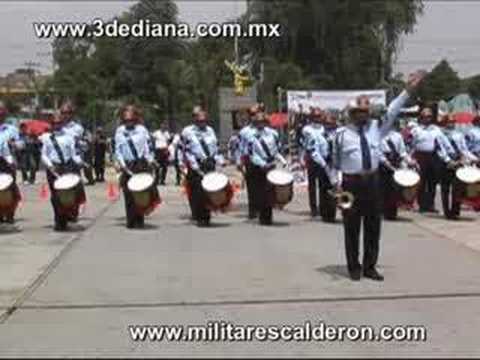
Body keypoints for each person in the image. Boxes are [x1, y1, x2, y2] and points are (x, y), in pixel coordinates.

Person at [332, 71, 424, 281]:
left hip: (372, 182)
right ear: (352, 113)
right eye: (359, 112)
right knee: (352, 227)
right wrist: (336, 187)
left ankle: (370, 266)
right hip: (350, 183)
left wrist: (408, 90)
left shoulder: (376, 128)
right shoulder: (340, 135)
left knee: (374, 225)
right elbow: (334, 164)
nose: (363, 115)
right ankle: (354, 267)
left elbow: (393, 110)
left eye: (366, 111)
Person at [115, 104, 160, 229]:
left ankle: (140, 219)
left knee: (140, 192)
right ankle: (131, 219)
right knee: (128, 194)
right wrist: (122, 165)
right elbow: (118, 150)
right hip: (127, 165)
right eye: (127, 120)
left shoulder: (142, 130)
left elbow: (147, 147)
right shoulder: (120, 131)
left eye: (131, 120)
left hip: (141, 164)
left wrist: (151, 160)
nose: (129, 123)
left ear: (136, 119)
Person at [41, 113, 87, 231]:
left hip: (67, 167)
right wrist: (50, 166)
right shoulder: (46, 138)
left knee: (70, 193)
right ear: (51, 125)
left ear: (62, 124)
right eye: (54, 124)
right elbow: (44, 155)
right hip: (54, 168)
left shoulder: (69, 137)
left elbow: (73, 155)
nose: (57, 126)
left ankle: (69, 215)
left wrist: (81, 162)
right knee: (56, 195)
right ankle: (59, 220)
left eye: (59, 123)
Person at [181, 110, 225, 227]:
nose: (202, 123)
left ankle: (206, 215)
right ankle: (200, 215)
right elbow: (186, 150)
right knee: (197, 192)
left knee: (208, 190)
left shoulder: (210, 131)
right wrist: (193, 165)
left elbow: (215, 147)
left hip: (209, 164)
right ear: (195, 121)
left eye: (204, 121)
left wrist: (220, 160)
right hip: (196, 164)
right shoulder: (188, 131)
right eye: (200, 121)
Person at [246, 111, 288, 225]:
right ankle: (262, 216)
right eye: (258, 122)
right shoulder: (251, 136)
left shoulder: (273, 133)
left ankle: (268, 216)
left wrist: (282, 160)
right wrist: (262, 164)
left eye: (262, 122)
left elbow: (276, 150)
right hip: (259, 166)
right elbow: (251, 154)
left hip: (271, 164)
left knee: (270, 192)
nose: (261, 124)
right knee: (261, 192)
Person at [437, 114, 478, 220]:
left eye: (452, 122)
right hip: (445, 164)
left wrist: (472, 158)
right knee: (445, 189)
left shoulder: (458, 135)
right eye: (449, 122)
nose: (451, 124)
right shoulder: (440, 135)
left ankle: (455, 210)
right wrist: (448, 161)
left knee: (458, 188)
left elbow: (464, 150)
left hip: (458, 163)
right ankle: (447, 212)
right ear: (445, 123)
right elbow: (440, 150)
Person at [409, 103, 444, 213]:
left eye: (429, 116)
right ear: (421, 117)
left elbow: (442, 144)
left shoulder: (436, 129)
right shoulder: (416, 130)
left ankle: (431, 205)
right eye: (425, 116)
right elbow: (411, 145)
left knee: (432, 182)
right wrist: (411, 158)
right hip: (420, 156)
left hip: (433, 156)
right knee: (421, 182)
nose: (427, 118)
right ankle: (421, 205)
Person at [379, 125, 417, 220]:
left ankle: (391, 212)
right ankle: (380, 211)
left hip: (395, 164)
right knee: (382, 189)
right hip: (382, 164)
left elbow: (402, 152)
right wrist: (386, 163)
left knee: (394, 190)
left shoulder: (397, 136)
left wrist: (409, 161)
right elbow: (378, 152)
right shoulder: (377, 135)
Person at [304, 109, 335, 220]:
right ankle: (313, 208)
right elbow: (309, 145)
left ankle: (324, 207)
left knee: (324, 185)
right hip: (312, 159)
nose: (317, 119)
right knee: (312, 185)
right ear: (311, 118)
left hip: (324, 158)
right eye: (315, 117)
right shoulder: (307, 129)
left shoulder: (323, 129)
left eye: (319, 117)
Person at [59, 102, 95, 185]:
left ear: (72, 114)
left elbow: (86, 144)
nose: (65, 115)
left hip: (73, 162)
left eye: (67, 113)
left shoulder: (78, 128)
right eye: (63, 113)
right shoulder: (57, 127)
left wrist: (80, 142)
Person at [237, 105, 259, 219]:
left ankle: (263, 209)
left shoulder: (267, 130)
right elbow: (240, 148)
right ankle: (253, 210)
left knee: (264, 187)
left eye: (256, 114)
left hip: (264, 162)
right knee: (252, 187)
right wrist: (239, 162)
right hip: (250, 161)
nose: (254, 117)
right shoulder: (244, 132)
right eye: (252, 115)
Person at [152, 121, 172, 185]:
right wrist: (153, 150)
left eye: (164, 125)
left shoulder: (167, 133)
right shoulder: (156, 133)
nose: (163, 126)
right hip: (158, 151)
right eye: (162, 125)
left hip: (164, 150)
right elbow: (153, 141)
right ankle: (156, 180)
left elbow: (168, 141)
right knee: (157, 166)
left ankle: (163, 180)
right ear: (160, 126)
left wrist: (167, 149)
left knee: (165, 166)